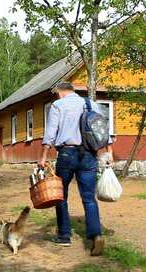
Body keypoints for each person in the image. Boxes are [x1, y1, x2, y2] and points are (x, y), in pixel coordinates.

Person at [37, 81, 113, 256]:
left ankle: (64, 235)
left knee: (60, 195)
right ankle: (95, 236)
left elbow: (50, 133)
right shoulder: (90, 104)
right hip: (89, 155)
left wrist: (42, 157)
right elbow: (101, 128)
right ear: (73, 91)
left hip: (67, 154)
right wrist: (109, 153)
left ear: (60, 93)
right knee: (89, 198)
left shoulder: (58, 105)